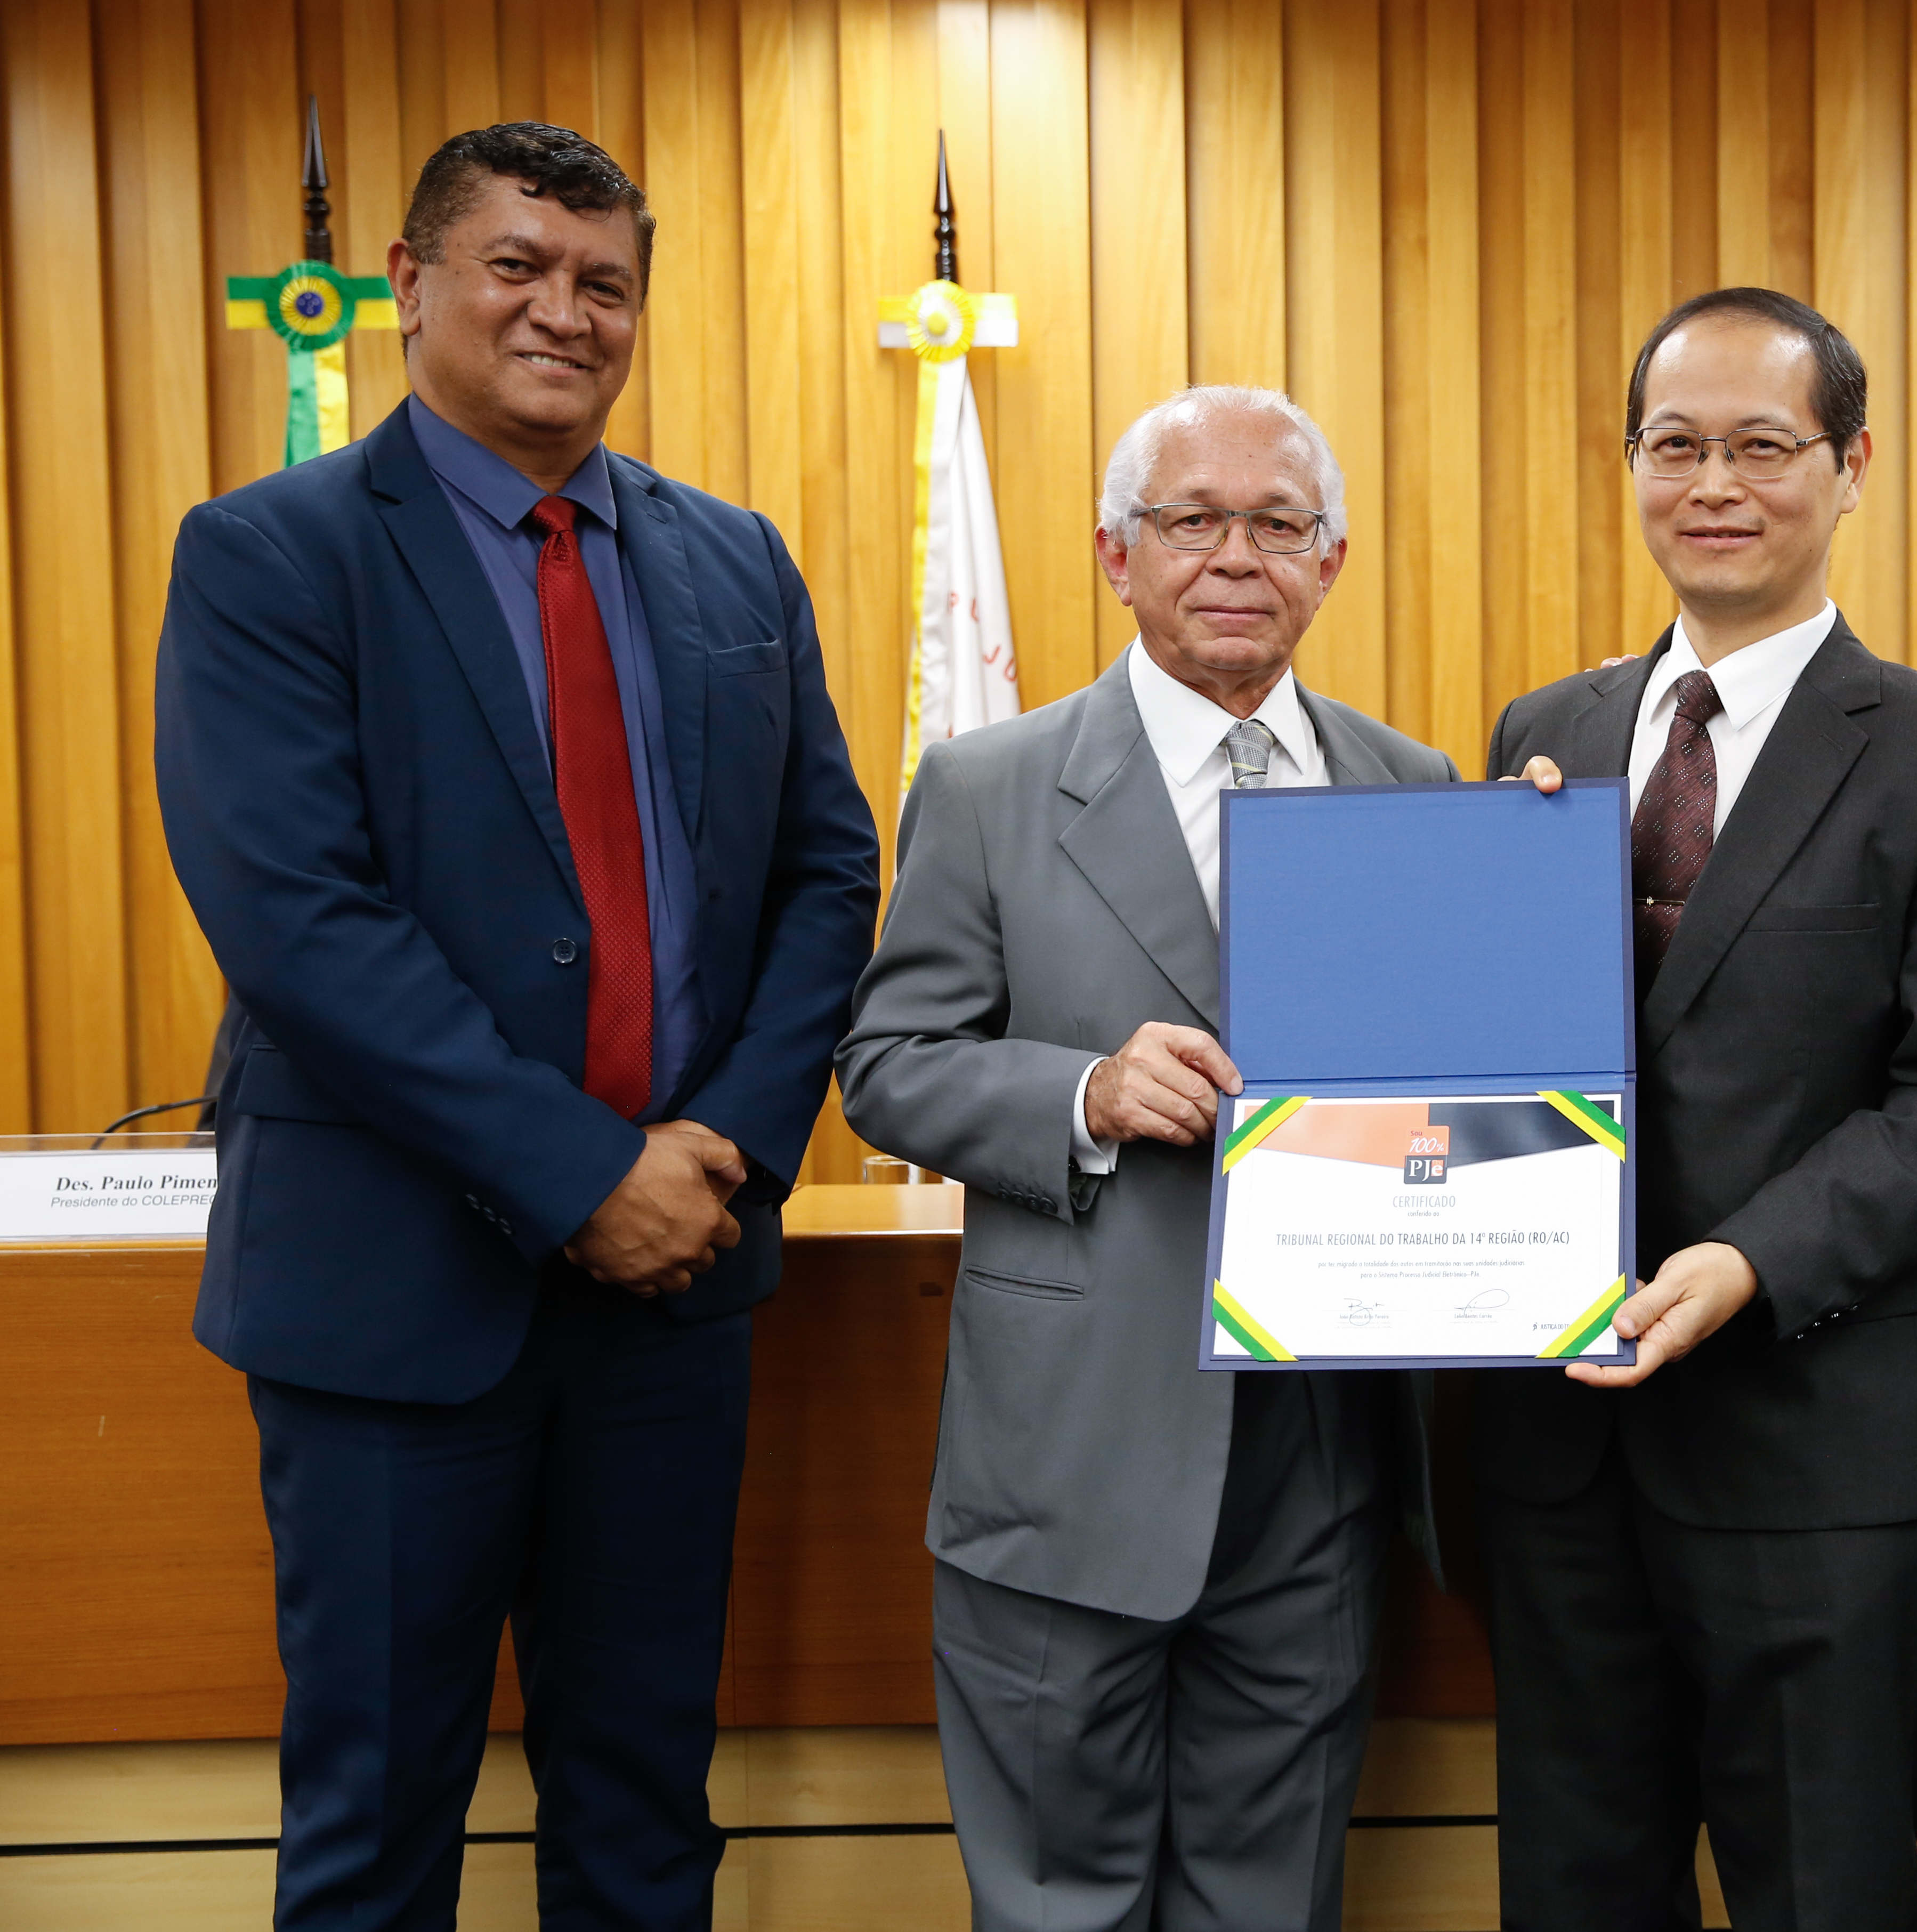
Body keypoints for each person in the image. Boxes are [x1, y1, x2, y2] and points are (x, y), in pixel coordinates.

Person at [154, 123, 878, 1929]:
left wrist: (713, 1152)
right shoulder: (270, 555)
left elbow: (827, 869)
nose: (567, 309)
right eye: (518, 266)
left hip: (677, 1293)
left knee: (644, 1814)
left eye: (605, 281)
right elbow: (301, 924)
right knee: (376, 1820)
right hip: (394, 1298)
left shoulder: (735, 562)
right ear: (409, 288)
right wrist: (582, 1175)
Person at [835, 385, 1452, 1932]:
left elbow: (1473, 1091)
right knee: (1059, 1906)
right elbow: (885, 1069)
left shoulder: (1422, 791)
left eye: (1278, 523)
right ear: (1116, 553)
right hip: (1067, 1465)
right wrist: (1084, 1091)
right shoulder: (988, 786)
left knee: (1273, 1902)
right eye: (1191, 520)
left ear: (1336, 557)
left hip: (1319, 1462)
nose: (1235, 554)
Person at [1485, 288, 1917, 1931]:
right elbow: (1501, 1059)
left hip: (1820, 1454)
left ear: (1851, 463)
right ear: (1631, 463)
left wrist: (1745, 1260)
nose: (1715, 483)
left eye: (1763, 444)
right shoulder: (1551, 736)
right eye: (1677, 444)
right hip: (1562, 1454)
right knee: (1577, 1892)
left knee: (1824, 1894)